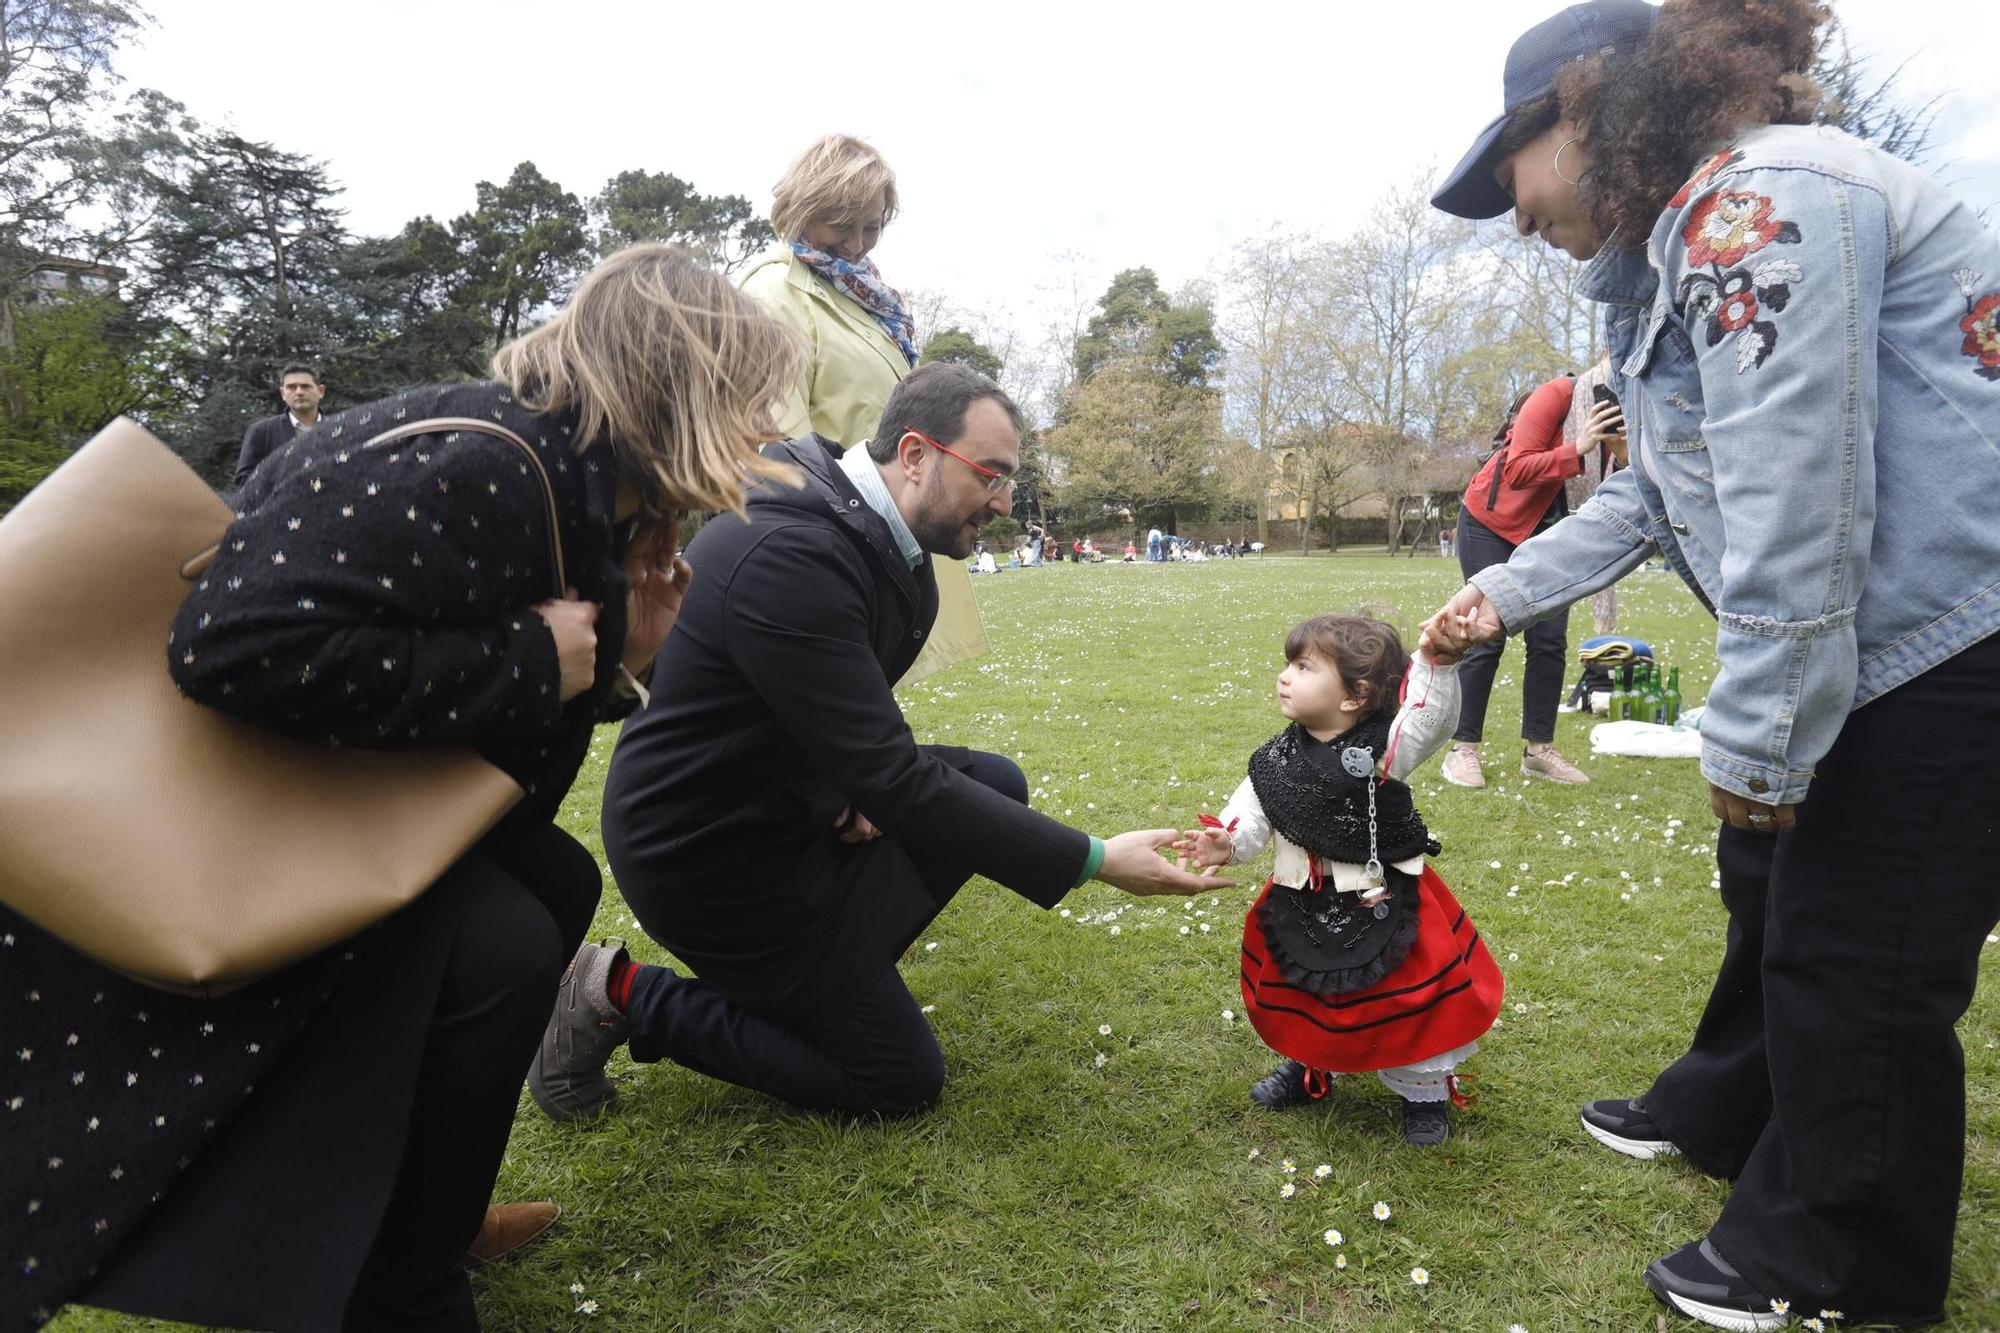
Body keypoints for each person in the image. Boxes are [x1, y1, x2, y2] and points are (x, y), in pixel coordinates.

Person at [1, 244, 801, 1333]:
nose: (761, 423)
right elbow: (227, 644)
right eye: (747, 392)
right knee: (501, 944)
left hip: (327, 775)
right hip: (224, 808)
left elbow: (500, 662)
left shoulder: (576, 479)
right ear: (683, 384)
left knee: (551, 883)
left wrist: (618, 652)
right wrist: (532, 658)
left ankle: (430, 1214)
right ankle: (397, 1278)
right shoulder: (483, 463)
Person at [1429, 0, 2000, 1325]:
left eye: (1509, 167)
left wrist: (1756, 732)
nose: (1511, 213)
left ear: (1589, 110)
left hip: (1954, 640)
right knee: (1778, 891)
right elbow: (1653, 498)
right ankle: (1732, 1112)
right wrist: (1500, 597)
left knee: (1859, 951)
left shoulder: (1762, 205)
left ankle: (1842, 1263)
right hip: (1909, 634)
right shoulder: (1680, 243)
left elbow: (1800, 492)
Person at [528, 364, 1227, 1125]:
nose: (1002, 502)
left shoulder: (883, 539)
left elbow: (816, 716)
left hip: (782, 810)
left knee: (994, 781)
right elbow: (895, 775)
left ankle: (819, 983)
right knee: (897, 1078)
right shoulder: (789, 552)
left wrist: (845, 786)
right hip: (707, 858)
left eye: (1010, 482)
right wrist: (1096, 859)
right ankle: (613, 989)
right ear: (917, 454)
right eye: (991, 475)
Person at [1175, 615, 1499, 1147]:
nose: (1284, 675)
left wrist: (1437, 664)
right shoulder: (1275, 758)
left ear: (1356, 695)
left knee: (1408, 998)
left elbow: (1430, 720)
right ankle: (1309, 1066)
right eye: (1288, 663)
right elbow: (1252, 814)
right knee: (1308, 994)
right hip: (1299, 897)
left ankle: (1424, 1094)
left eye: (1303, 667)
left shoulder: (1386, 748)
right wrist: (1226, 843)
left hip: (1384, 899)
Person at [738, 133, 986, 682]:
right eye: (839, 223)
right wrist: (822, 551)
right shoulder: (773, 292)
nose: (856, 243)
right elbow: (776, 447)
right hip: (823, 546)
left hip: (875, 538)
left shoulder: (865, 296)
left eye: (871, 225)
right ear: (799, 210)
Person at [1439, 373, 1622, 789]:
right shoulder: (1558, 394)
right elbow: (1518, 469)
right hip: (1493, 524)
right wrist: (1578, 448)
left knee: (1550, 640)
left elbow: (1624, 485)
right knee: (1487, 635)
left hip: (1553, 531)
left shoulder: (1634, 406)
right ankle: (1463, 749)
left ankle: (1538, 751)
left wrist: (1622, 450)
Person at [230, 362, 326, 489]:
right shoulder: (261, 432)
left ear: (320, 391)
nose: (299, 392)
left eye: (305, 386)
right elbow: (244, 479)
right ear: (282, 394)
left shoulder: (340, 430)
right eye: (291, 387)